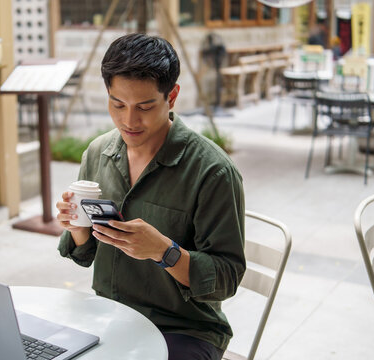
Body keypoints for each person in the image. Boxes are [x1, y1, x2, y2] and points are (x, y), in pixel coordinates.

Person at [55, 33, 246, 360]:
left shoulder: (212, 171)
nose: (129, 121)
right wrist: (77, 226)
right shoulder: (98, 153)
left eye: (145, 106)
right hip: (108, 315)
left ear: (172, 97)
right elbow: (84, 256)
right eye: (118, 104)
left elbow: (226, 279)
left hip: (183, 328)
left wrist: (164, 252)